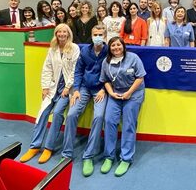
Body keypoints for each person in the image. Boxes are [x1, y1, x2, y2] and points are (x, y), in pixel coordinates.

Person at [19, 24, 80, 164]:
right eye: (59, 32)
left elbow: (75, 70)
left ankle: (49, 147)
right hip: (53, 88)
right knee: (43, 113)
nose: (62, 34)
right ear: (56, 34)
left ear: (68, 33)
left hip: (66, 90)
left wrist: (68, 86)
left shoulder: (74, 48)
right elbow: (47, 68)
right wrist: (45, 87)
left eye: (65, 32)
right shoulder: (52, 48)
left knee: (58, 113)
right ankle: (34, 146)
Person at [61, 24, 108, 177]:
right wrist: (75, 90)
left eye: (100, 34)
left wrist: (104, 89)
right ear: (91, 35)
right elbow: (79, 71)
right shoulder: (85, 51)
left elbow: (114, 72)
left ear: (105, 36)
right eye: (95, 34)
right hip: (84, 88)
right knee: (72, 114)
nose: (98, 37)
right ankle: (67, 153)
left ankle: (88, 156)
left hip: (101, 90)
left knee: (99, 117)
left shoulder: (110, 51)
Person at [99, 37, 146, 177]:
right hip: (115, 94)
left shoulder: (133, 58)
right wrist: (111, 93)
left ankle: (126, 158)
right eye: (113, 45)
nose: (116, 48)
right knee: (108, 121)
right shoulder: (105, 62)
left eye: (118, 44)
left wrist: (129, 93)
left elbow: (140, 77)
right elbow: (105, 80)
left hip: (133, 94)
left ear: (123, 46)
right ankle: (108, 156)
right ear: (109, 48)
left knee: (128, 124)